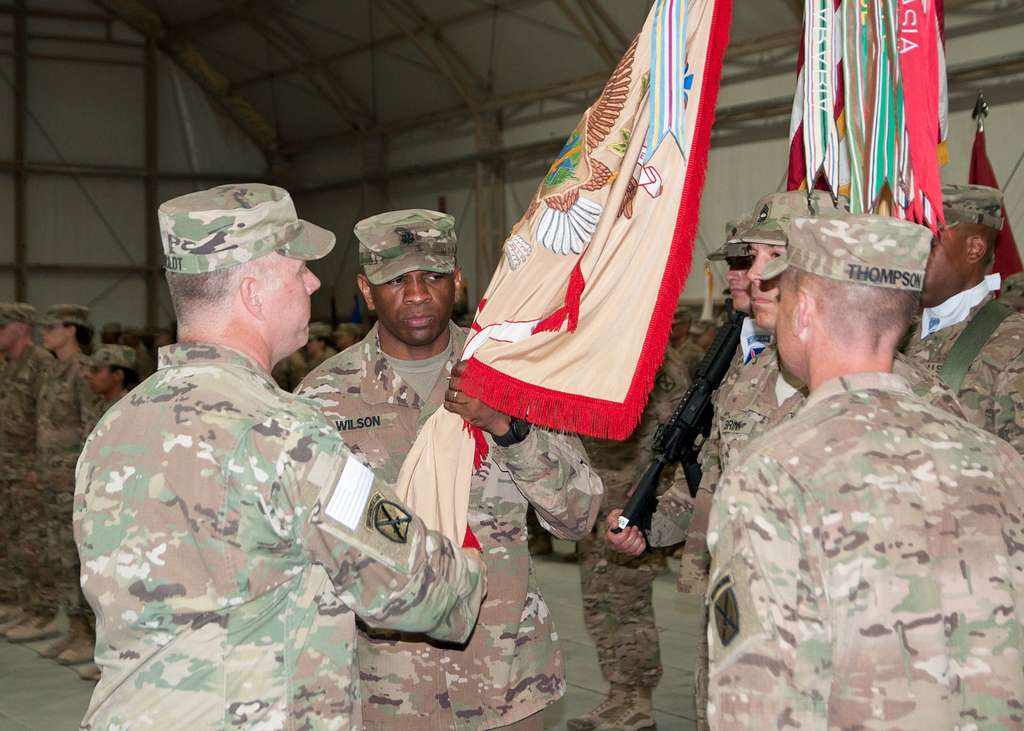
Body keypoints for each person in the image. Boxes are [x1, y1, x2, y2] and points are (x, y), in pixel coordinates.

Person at [73, 184, 487, 729]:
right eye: (298, 269)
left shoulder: (117, 425)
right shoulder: (280, 430)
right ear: (253, 292)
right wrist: (472, 564)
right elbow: (419, 589)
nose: (314, 281)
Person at [606, 191, 962, 730]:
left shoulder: (908, 392)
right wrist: (649, 524)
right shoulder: (744, 380)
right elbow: (713, 483)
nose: (752, 278)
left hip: (851, 646)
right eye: (751, 262)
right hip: (737, 624)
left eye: (771, 262)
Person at [706, 213, 1024, 727]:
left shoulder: (774, 476)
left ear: (803, 312)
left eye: (784, 297)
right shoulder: (1001, 463)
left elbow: (758, 701)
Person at [297, 208, 602, 730]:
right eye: (395, 281)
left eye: (432, 276)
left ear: (457, 283)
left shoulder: (513, 378)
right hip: (386, 695)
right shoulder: (323, 400)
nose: (416, 294)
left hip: (508, 683)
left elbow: (577, 516)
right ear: (367, 292)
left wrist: (506, 426)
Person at [570, 336, 691, 731]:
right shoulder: (597, 354)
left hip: (634, 508)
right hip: (594, 503)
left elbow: (676, 445)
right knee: (599, 602)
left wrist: (653, 509)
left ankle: (639, 701)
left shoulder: (658, 362)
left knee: (629, 604)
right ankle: (618, 694)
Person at [6, 304, 104, 670]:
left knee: (77, 558)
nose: (44, 333)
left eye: (52, 327)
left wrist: (82, 475)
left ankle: (92, 637)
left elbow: (90, 426)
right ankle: (76, 630)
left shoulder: (84, 371)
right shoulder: (51, 370)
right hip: (49, 476)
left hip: (71, 481)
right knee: (58, 557)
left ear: (72, 330)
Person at [903, 183, 1024, 455]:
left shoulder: (1011, 346)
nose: (909, 255)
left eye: (927, 242)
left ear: (974, 249)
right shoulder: (893, 330)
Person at [0, 303, 54, 637]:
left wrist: (38, 465)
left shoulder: (40, 364)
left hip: (28, 466)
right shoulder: (7, 365)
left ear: (19, 327)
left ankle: (40, 610)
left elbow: (47, 418)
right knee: (10, 537)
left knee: (35, 540)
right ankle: (16, 601)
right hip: (6, 463)